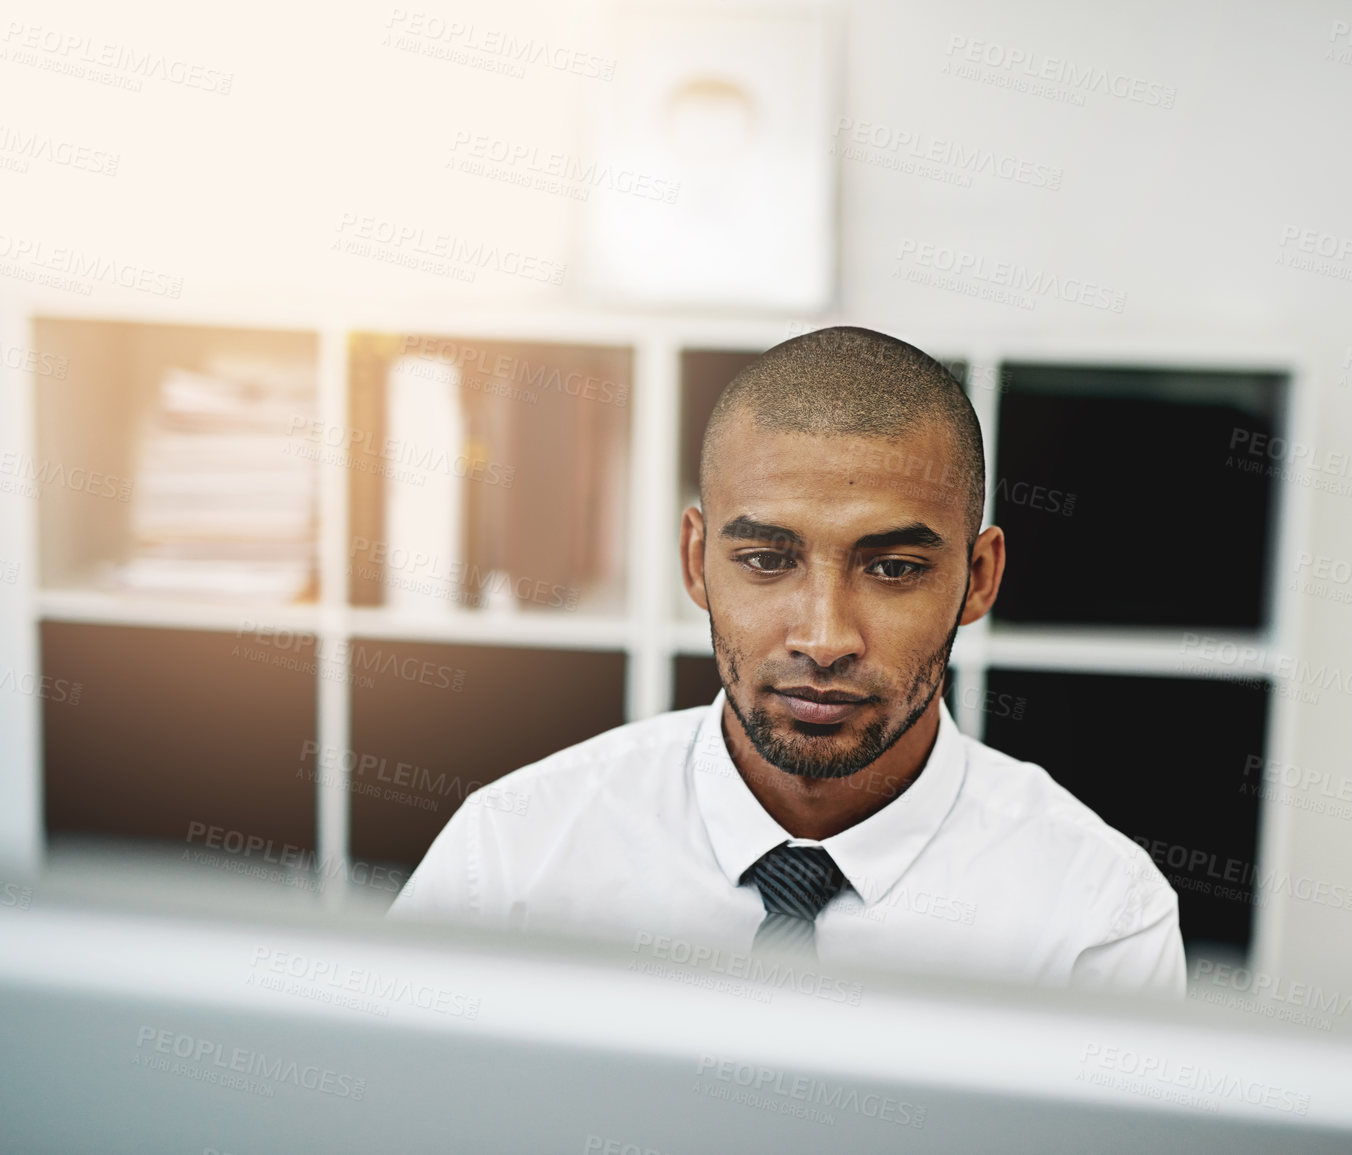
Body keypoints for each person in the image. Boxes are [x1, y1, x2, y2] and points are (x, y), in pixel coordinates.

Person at [388, 326, 1185, 996]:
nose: (824, 636)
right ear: (696, 561)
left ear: (977, 579)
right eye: (768, 560)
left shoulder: (1095, 919)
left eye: (894, 568)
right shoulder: (510, 857)